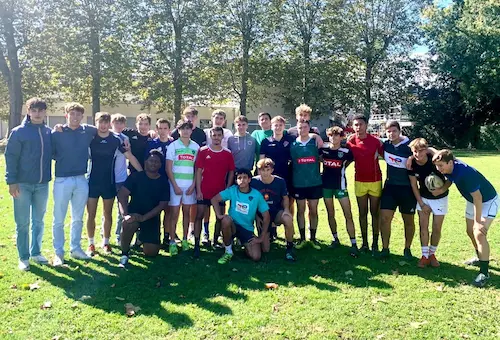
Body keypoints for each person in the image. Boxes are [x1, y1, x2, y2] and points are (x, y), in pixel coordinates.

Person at [432, 150, 499, 287]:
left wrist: (478, 221)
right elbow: (450, 179)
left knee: (479, 233)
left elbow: (478, 197)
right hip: (473, 201)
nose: (439, 169)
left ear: (450, 162)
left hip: (487, 201)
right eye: (437, 166)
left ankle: (484, 273)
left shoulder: (465, 173)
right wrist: (442, 189)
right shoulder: (450, 168)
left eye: (441, 166)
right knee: (470, 231)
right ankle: (480, 257)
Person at [86, 112, 142, 257]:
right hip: (92, 182)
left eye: (106, 122)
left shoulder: (116, 140)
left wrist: (142, 172)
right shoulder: (90, 138)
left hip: (109, 182)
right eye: (100, 122)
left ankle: (106, 242)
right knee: (91, 214)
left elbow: (129, 156)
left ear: (109, 123)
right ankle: (91, 243)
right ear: (96, 123)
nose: (103, 125)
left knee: (107, 214)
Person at [5, 98, 52, 271]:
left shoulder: (48, 132)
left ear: (45, 112)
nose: (37, 113)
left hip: (42, 184)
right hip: (22, 184)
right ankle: (23, 257)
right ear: (29, 111)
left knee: (38, 221)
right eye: (34, 110)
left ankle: (36, 252)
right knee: (22, 223)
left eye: (40, 110)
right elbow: (11, 157)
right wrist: (12, 181)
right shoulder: (18, 132)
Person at [51, 102, 97, 266]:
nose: (75, 117)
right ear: (66, 115)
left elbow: (106, 129)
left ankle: (76, 248)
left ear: (82, 117)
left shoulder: (88, 131)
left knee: (78, 217)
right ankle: (58, 252)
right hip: (62, 179)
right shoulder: (56, 133)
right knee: (59, 218)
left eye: (78, 114)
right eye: (72, 114)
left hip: (81, 179)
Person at [117, 151, 170, 267]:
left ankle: (141, 238)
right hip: (134, 214)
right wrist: (125, 214)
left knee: (151, 253)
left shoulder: (163, 182)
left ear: (161, 165)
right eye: (151, 160)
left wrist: (144, 218)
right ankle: (124, 253)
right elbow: (122, 194)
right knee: (128, 223)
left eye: (157, 162)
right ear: (145, 162)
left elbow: (162, 205)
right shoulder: (136, 177)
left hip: (150, 218)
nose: (153, 163)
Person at [211, 169, 270, 264]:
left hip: (247, 228)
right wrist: (219, 215)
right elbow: (214, 199)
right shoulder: (233, 190)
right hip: (233, 225)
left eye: (245, 178)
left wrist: (261, 237)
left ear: (250, 179)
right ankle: (228, 251)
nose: (242, 180)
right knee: (225, 220)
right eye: (239, 178)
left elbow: (266, 216)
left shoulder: (256, 195)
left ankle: (244, 244)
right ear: (236, 180)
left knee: (256, 256)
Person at [194, 127, 235, 256]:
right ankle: (196, 243)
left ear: (222, 137)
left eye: (219, 135)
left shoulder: (227, 153)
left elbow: (231, 171)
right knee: (199, 216)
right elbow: (198, 171)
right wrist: (199, 190)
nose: (216, 137)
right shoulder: (203, 151)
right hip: (204, 190)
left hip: (219, 192)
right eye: (214, 135)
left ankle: (216, 240)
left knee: (220, 217)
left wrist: (227, 189)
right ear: (210, 136)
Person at [408, 138, 448, 268]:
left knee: (436, 228)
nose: (418, 154)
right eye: (415, 151)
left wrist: (442, 189)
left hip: (440, 199)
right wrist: (422, 203)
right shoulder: (411, 163)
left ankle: (432, 254)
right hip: (423, 198)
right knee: (423, 227)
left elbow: (451, 178)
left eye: (421, 151)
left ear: (426, 150)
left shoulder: (435, 159)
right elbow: (414, 185)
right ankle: (424, 255)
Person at [346, 114, 383, 255]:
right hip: (359, 181)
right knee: (362, 213)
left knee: (375, 213)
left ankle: (375, 243)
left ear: (366, 125)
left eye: (361, 124)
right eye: (355, 125)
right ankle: (365, 243)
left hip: (375, 181)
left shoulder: (376, 142)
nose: (358, 127)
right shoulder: (351, 142)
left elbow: (389, 155)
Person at [379, 120, 416, 261]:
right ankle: (385, 248)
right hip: (390, 187)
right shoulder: (386, 144)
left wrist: (412, 156)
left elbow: (425, 150)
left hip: (407, 189)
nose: (391, 134)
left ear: (399, 131)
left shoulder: (409, 145)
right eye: (388, 131)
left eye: (394, 131)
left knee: (408, 221)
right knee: (385, 219)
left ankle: (407, 249)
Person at [320, 127, 358, 257]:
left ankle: (354, 243)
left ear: (341, 137)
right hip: (326, 186)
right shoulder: (323, 150)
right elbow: (320, 160)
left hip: (340, 186)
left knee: (348, 214)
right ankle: (335, 239)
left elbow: (348, 163)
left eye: (336, 135)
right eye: (331, 135)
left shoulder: (346, 151)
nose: (333, 138)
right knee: (330, 213)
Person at [251, 158, 295, 261]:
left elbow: (285, 198)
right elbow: (252, 201)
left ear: (272, 170)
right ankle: (267, 233)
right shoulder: (253, 182)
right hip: (262, 215)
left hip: (276, 212)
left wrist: (286, 210)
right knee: (265, 250)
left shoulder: (280, 181)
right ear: (258, 170)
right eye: (262, 170)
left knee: (288, 219)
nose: (265, 173)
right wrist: (257, 217)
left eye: (267, 170)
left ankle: (289, 247)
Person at [166, 120, 199, 255]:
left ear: (192, 131)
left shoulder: (196, 147)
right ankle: (172, 241)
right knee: (174, 215)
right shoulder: (173, 146)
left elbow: (197, 169)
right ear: (178, 131)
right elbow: (168, 169)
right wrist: (175, 186)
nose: (185, 131)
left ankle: (185, 239)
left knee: (187, 213)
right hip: (175, 186)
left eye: (188, 129)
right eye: (183, 129)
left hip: (189, 187)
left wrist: (193, 185)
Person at [290, 120, 323, 250]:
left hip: (314, 182)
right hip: (299, 183)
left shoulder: (315, 142)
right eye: (300, 127)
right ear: (297, 129)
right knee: (300, 210)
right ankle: (302, 238)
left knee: (313, 210)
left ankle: (313, 238)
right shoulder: (293, 144)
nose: (302, 129)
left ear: (309, 128)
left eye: (305, 127)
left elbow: (323, 157)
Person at [146, 118, 173, 246]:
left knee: (168, 210)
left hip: (168, 181)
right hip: (153, 181)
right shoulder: (151, 143)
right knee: (153, 209)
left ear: (169, 130)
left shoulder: (173, 144)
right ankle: (151, 235)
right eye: (160, 128)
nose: (162, 131)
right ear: (156, 129)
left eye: (165, 128)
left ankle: (166, 237)